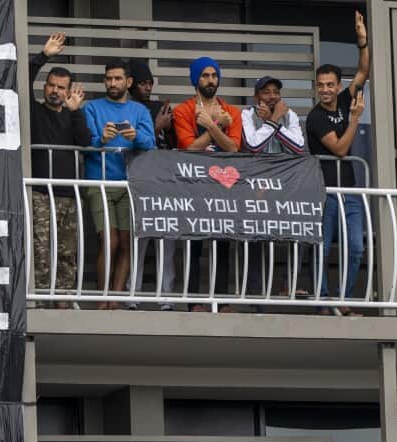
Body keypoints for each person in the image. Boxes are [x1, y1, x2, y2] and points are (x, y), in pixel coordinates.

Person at [306, 10, 371, 317]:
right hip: (326, 191)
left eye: (330, 84)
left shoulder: (345, 99)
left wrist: (362, 42)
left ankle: (343, 301)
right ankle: (322, 300)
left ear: (337, 84)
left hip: (351, 191)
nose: (325, 89)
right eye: (321, 85)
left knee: (355, 247)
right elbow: (342, 150)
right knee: (323, 247)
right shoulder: (316, 117)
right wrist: (355, 120)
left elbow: (363, 72)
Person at [83, 62, 156, 309]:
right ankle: (103, 297)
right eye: (108, 79)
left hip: (129, 183)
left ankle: (115, 297)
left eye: (117, 79)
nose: (112, 83)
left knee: (127, 241)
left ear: (128, 82)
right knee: (109, 240)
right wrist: (101, 138)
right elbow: (85, 141)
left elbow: (151, 144)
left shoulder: (140, 110)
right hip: (99, 182)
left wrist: (137, 137)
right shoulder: (92, 107)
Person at [173, 57, 243, 311]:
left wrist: (212, 126)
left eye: (214, 75)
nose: (210, 80)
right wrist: (216, 127)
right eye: (205, 75)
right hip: (193, 185)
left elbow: (233, 148)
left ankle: (222, 300)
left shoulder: (232, 112)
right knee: (193, 244)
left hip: (223, 187)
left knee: (222, 243)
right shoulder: (182, 111)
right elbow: (189, 148)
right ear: (195, 79)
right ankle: (193, 302)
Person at [29, 32, 90, 305]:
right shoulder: (34, 112)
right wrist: (44, 55)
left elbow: (85, 141)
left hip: (68, 193)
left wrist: (76, 111)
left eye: (61, 87)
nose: (55, 90)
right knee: (41, 251)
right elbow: (21, 80)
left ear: (69, 91)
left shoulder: (73, 115)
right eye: (51, 85)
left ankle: (63, 298)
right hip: (41, 193)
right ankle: (42, 299)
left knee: (67, 250)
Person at [242, 75, 306, 299]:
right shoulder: (247, 114)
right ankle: (256, 291)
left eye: (275, 92)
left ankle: (289, 284)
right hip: (257, 187)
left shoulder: (290, 116)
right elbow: (253, 146)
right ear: (256, 96)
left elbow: (298, 148)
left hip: (287, 185)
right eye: (266, 92)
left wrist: (275, 121)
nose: (272, 97)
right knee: (258, 236)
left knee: (296, 234)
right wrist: (272, 121)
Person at [126, 59, 177, 309]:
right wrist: (155, 127)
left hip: (164, 178)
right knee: (140, 237)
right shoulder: (128, 108)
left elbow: (174, 142)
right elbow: (134, 140)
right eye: (142, 83)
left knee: (166, 237)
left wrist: (167, 128)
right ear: (131, 83)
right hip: (138, 177)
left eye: (150, 83)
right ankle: (133, 294)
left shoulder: (160, 106)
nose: (147, 87)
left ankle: (165, 295)